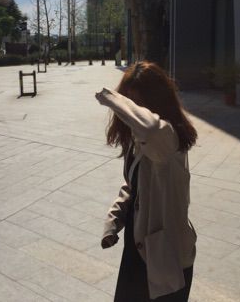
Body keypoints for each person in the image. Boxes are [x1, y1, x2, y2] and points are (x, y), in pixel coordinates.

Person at [95, 61, 198, 302]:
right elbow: (134, 186)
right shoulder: (138, 140)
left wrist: (113, 98)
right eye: (129, 101)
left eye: (138, 103)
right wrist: (113, 220)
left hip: (165, 255)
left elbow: (151, 128)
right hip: (139, 249)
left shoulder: (167, 138)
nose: (131, 111)